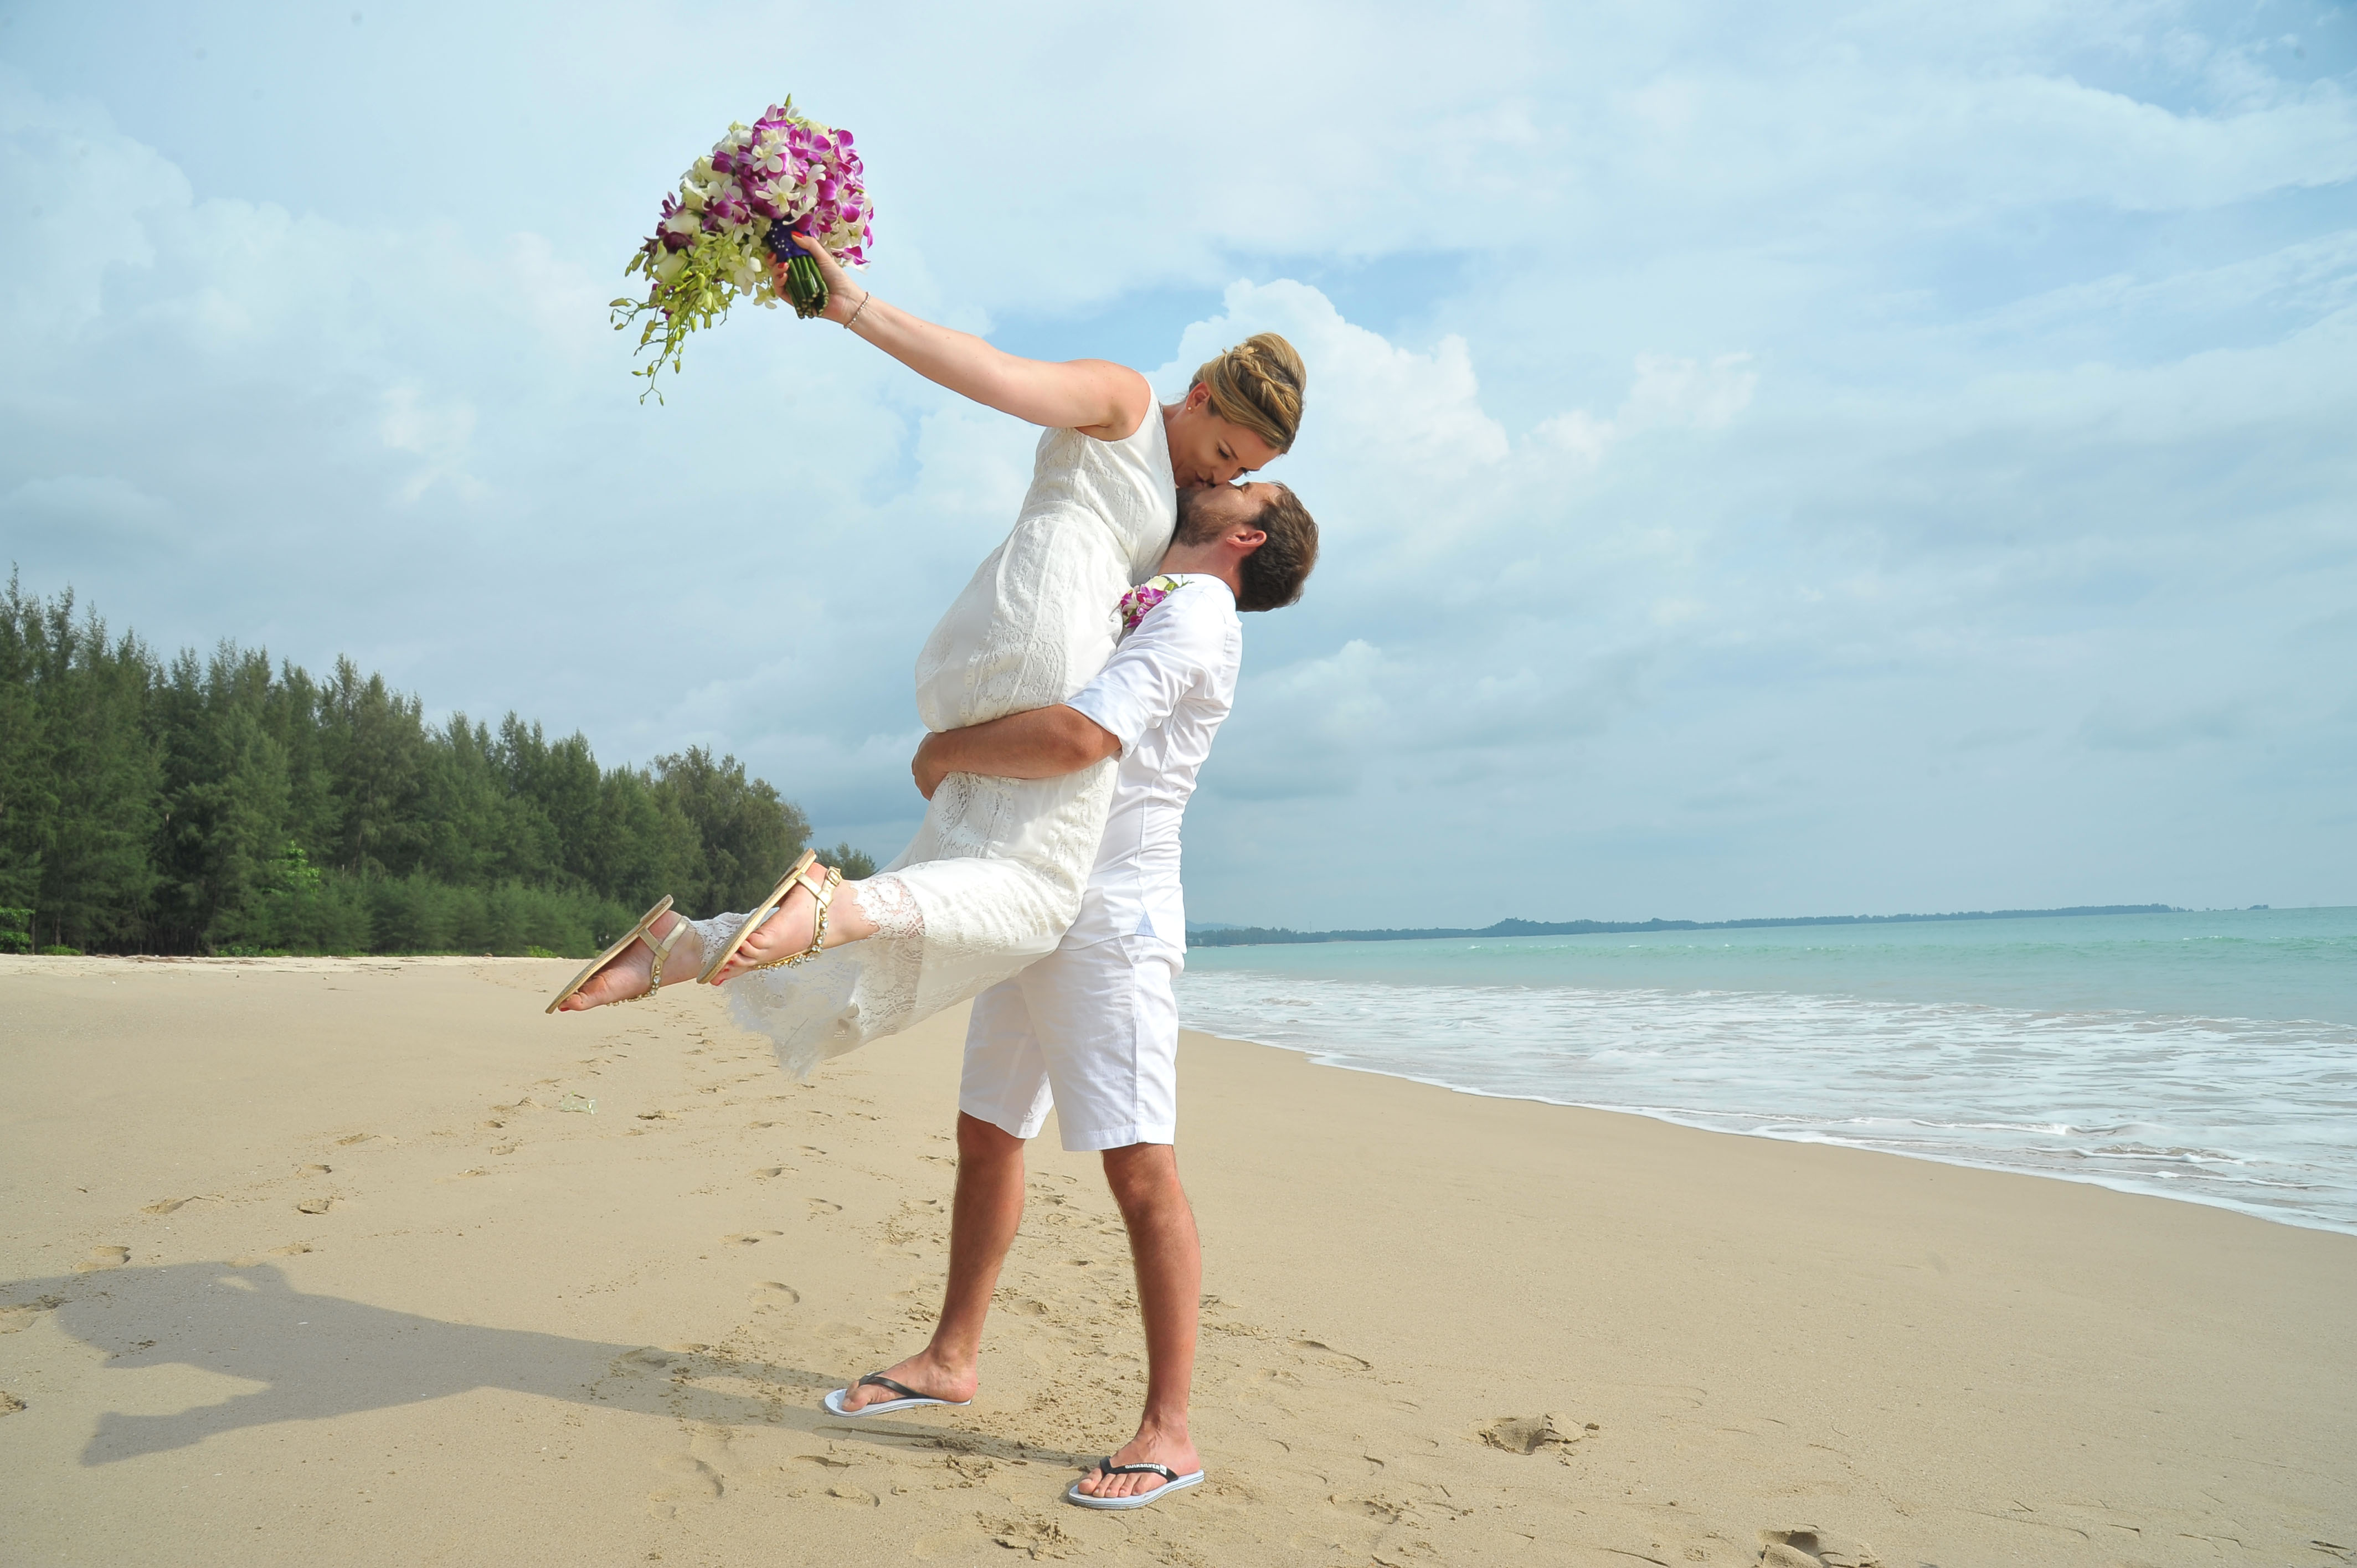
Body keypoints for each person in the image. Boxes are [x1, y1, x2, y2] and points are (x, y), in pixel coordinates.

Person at [548, 230, 1306, 1085]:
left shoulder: (1169, 487)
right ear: (1198, 396)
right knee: (1041, 901)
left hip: (1006, 630)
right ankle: (827, 903)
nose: (1215, 478)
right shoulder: (1125, 399)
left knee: (951, 874)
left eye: (1237, 474)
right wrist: (853, 307)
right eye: (1223, 455)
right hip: (1048, 631)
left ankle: (687, 944)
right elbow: (996, 373)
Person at [825, 476, 1318, 1512]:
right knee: (987, 1132)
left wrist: (947, 753)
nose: (1210, 480)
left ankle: (1172, 1432)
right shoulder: (1149, 588)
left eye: (1240, 483)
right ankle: (951, 1359)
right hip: (1040, 895)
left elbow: (1084, 736)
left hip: (1112, 922)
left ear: (1247, 537)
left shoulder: (1201, 609)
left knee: (1140, 1167)